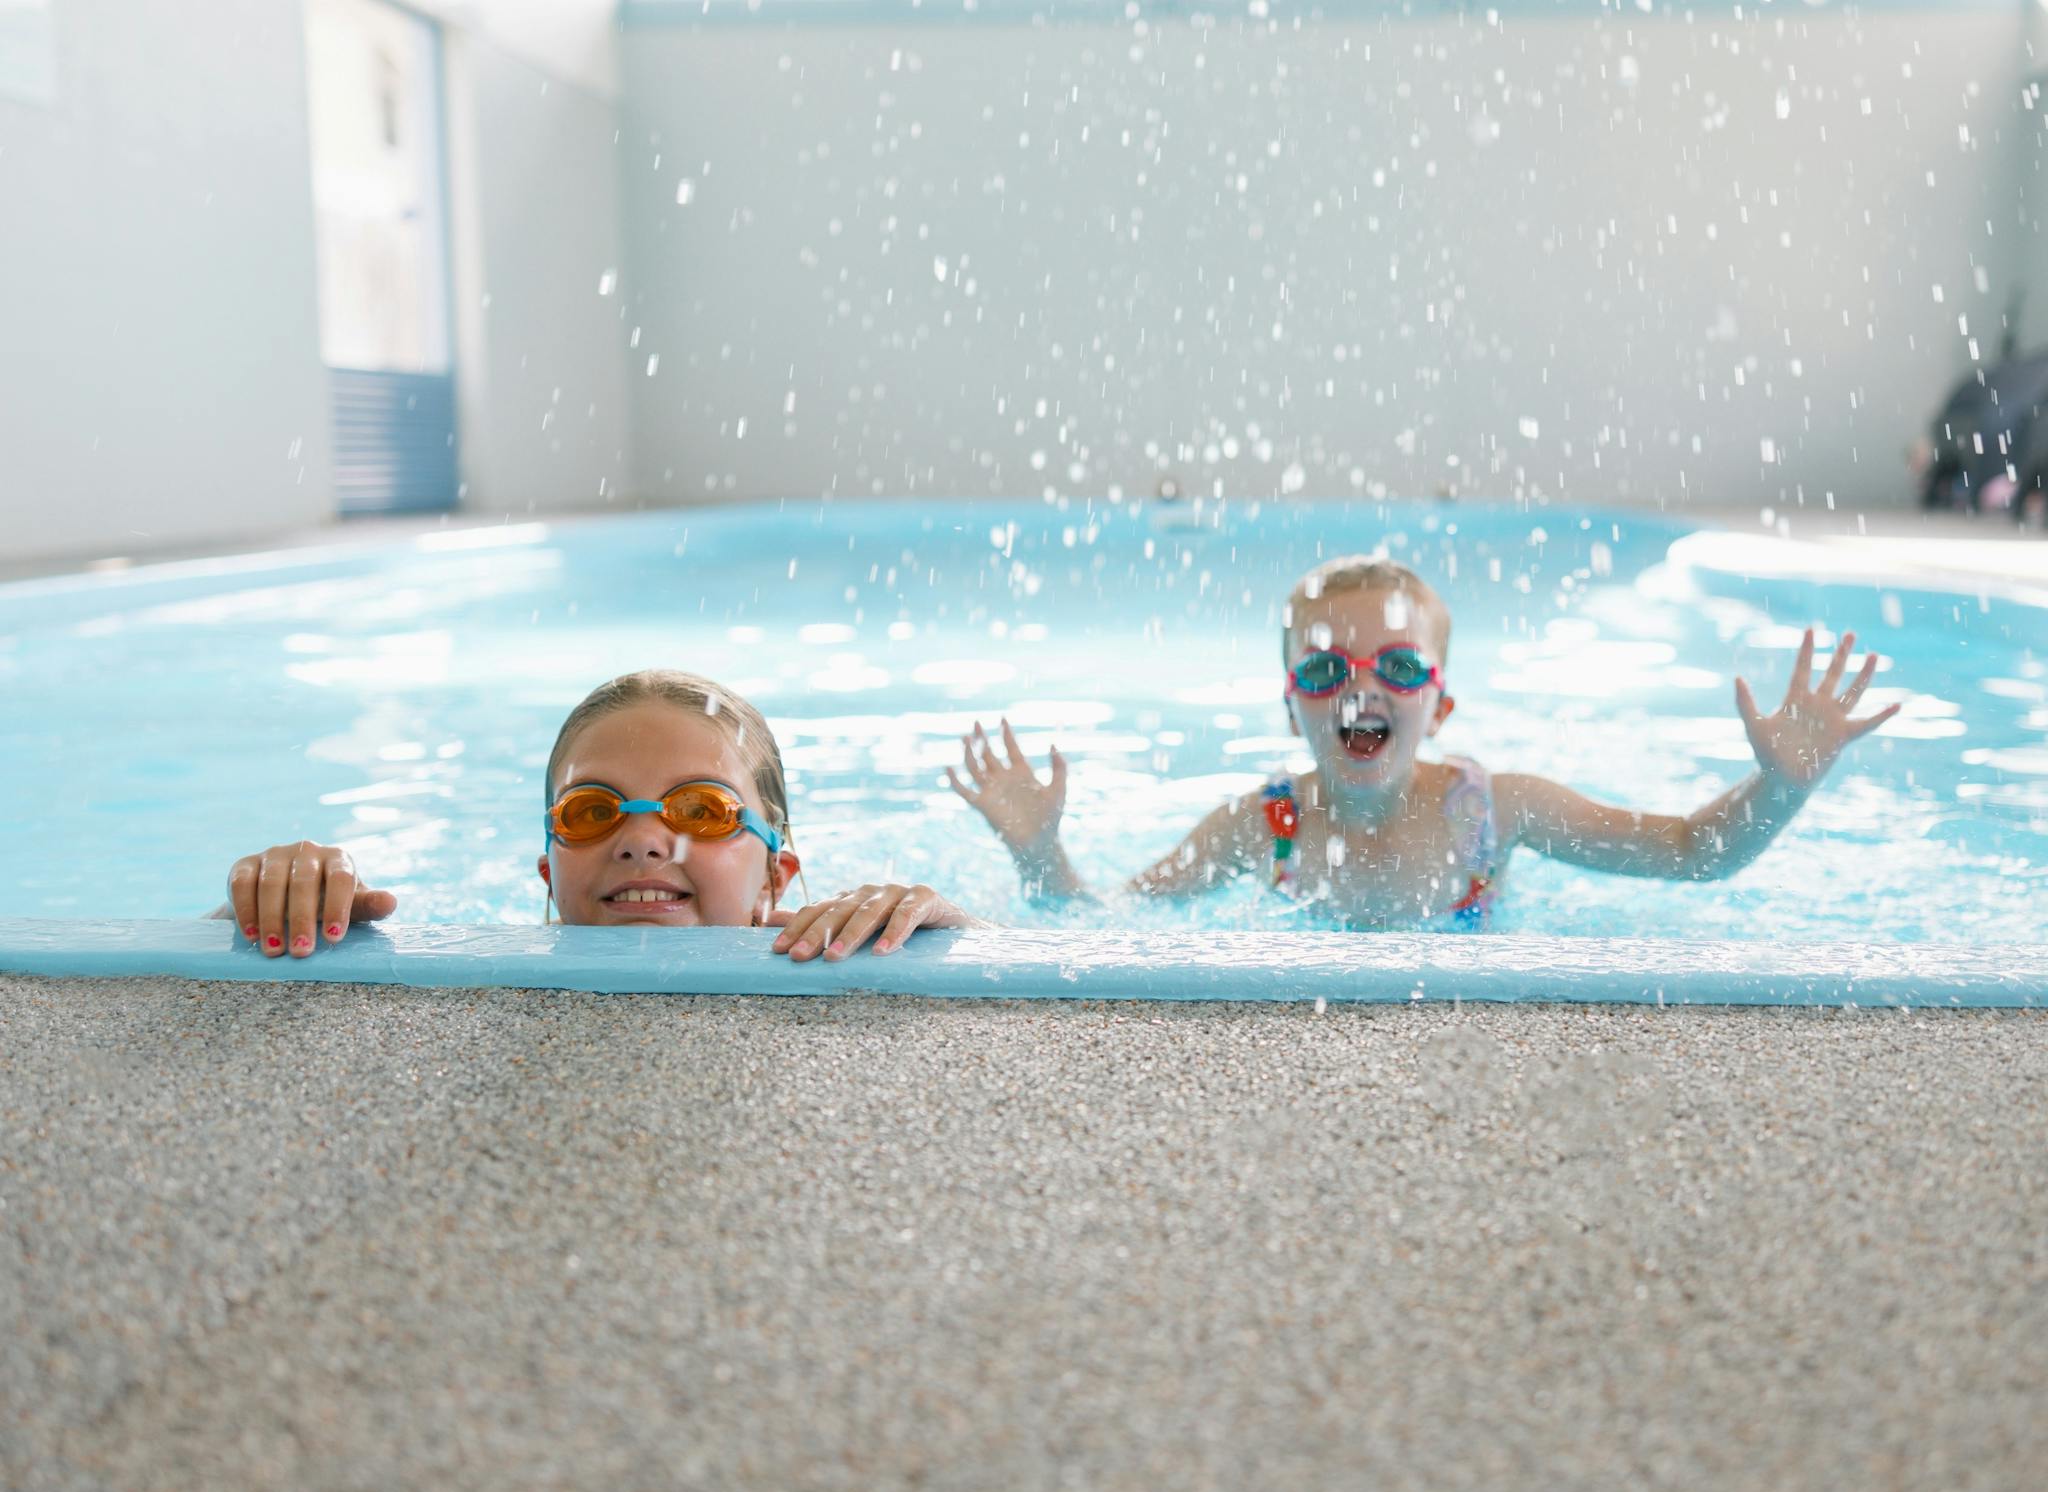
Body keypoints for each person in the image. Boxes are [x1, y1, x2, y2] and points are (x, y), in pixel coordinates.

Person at [950, 554, 1901, 929]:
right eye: (1325, 672)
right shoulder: (1260, 825)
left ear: (1439, 707)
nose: (1361, 688)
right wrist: (1041, 855)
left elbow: (1693, 855)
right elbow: (1105, 921)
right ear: (1293, 711)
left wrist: (1781, 788)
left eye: (1397, 669)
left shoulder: (1498, 809)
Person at [219, 668, 981, 961]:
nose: (643, 840)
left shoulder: (841, 942)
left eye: (702, 809)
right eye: (591, 812)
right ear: (550, 872)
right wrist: (270, 901)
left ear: (775, 881)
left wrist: (949, 926)